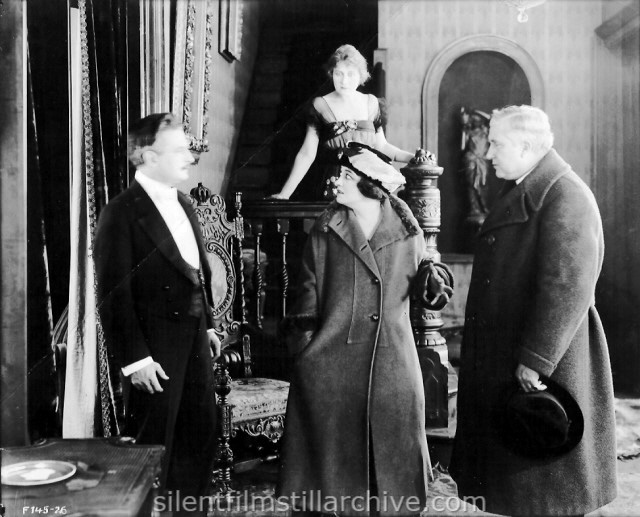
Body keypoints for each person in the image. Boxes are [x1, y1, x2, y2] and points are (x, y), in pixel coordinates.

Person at [449, 105, 617, 516]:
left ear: (526, 146)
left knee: (548, 480)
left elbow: (567, 288)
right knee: (526, 481)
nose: (488, 154)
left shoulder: (565, 195)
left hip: (551, 360)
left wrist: (535, 360)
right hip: (523, 351)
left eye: (496, 143)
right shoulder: (533, 187)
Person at [277, 142, 453, 516]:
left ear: (370, 185)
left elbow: (427, 283)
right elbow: (305, 295)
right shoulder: (325, 230)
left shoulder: (407, 230)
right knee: (330, 472)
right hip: (331, 359)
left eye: (345, 176)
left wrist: (432, 279)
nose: (335, 181)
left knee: (393, 457)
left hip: (393, 357)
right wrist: (306, 349)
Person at [94, 113, 220, 515]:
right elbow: (113, 296)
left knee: (200, 436)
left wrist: (210, 325)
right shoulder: (121, 212)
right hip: (154, 352)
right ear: (148, 156)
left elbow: (196, 271)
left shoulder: (183, 201)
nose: (190, 157)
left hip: (195, 340)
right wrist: (135, 360)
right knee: (155, 449)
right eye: (180, 150)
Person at [269, 44, 416, 200]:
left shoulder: (371, 103)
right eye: (338, 74)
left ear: (361, 76)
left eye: (351, 74)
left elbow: (382, 146)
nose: (344, 81)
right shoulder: (320, 105)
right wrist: (285, 194)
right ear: (331, 73)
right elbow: (307, 154)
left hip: (367, 185)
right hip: (335, 185)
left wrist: (414, 157)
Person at [459, 107, 491, 224]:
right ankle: (474, 208)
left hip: (482, 161)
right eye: (473, 119)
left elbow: (490, 119)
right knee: (471, 185)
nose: (475, 121)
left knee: (483, 184)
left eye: (477, 119)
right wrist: (464, 127)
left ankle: (483, 207)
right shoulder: (469, 132)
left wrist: (475, 111)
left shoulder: (485, 132)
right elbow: (462, 147)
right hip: (470, 160)